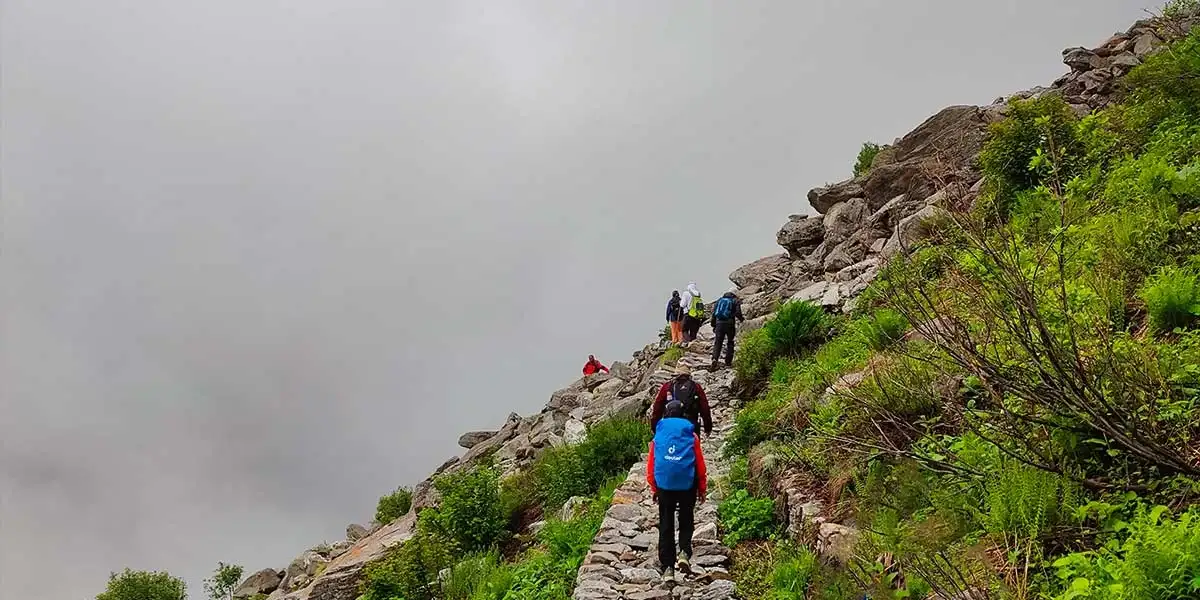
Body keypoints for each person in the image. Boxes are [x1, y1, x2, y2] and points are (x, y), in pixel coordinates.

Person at [647, 398, 708, 581]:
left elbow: (651, 465)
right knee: (686, 518)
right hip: (686, 484)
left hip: (665, 483)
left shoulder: (659, 436)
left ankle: (667, 569)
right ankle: (683, 552)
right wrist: (702, 487)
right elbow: (699, 464)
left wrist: (654, 487)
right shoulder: (691, 435)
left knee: (666, 523)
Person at [651, 364, 713, 437]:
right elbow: (705, 409)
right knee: (691, 446)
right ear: (689, 375)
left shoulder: (667, 387)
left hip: (670, 425)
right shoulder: (696, 387)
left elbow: (657, 408)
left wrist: (654, 427)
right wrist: (708, 428)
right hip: (691, 425)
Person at [710, 289, 745, 370]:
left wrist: (713, 325)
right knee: (730, 342)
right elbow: (738, 313)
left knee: (718, 342)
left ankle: (715, 359)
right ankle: (728, 362)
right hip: (729, 323)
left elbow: (714, 314)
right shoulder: (735, 301)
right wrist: (742, 320)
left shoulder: (719, 301)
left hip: (719, 323)